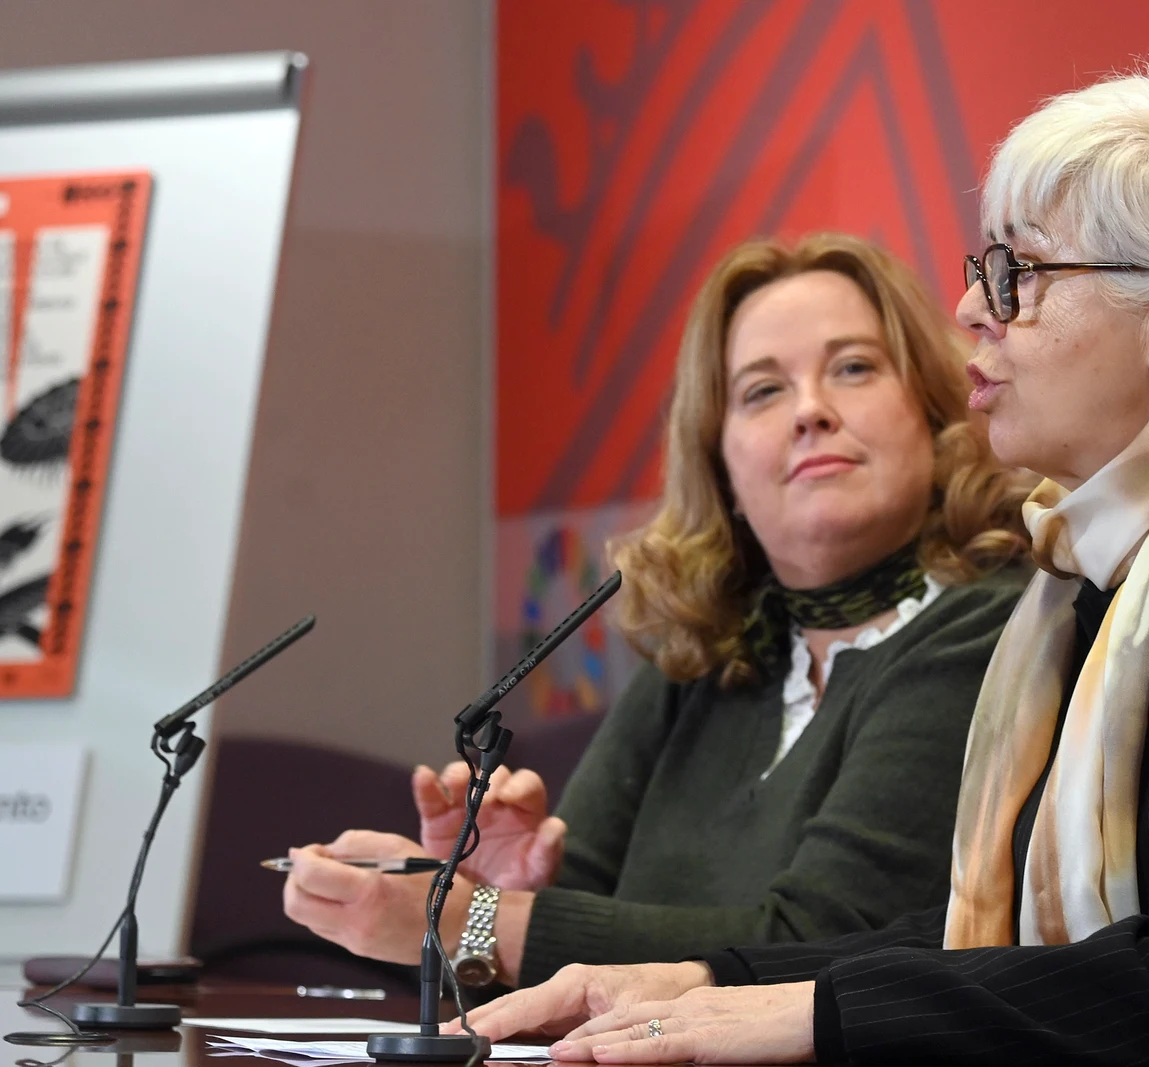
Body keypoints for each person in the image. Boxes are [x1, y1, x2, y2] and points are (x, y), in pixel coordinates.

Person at [454, 60, 1149, 1066]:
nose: (968, 315)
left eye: (1016, 276)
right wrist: (708, 983)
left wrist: (806, 1016)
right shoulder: (1111, 574)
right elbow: (1003, 935)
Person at [281, 233, 1032, 991]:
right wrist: (499, 896)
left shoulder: (984, 628)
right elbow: (553, 944)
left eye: (854, 368)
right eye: (762, 391)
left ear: (934, 414)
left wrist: (471, 920)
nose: (811, 410)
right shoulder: (704, 656)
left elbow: (821, 943)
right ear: (723, 464)